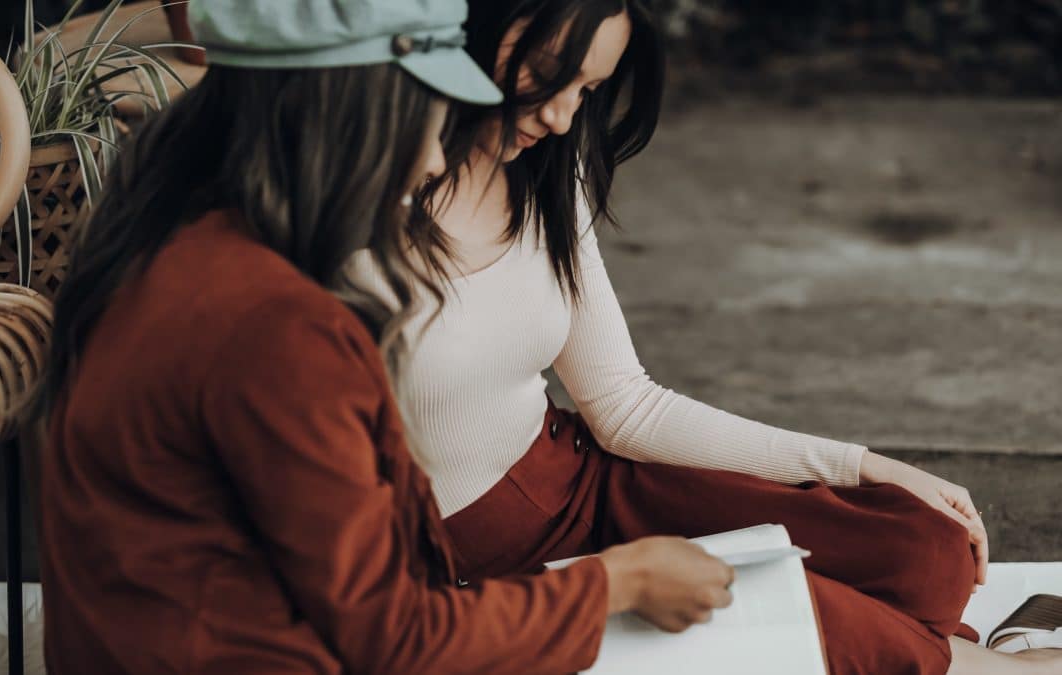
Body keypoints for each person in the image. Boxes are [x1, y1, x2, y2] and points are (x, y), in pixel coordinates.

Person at [345, 1, 1062, 672]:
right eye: (548, 78)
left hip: (584, 478)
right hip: (482, 563)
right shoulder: (339, 217)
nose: (564, 117)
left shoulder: (543, 174)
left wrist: (863, 466)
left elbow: (625, 404)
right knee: (816, 617)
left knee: (926, 548)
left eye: (587, 91)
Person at [28, 1, 742, 672]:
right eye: (428, 122)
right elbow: (395, 637)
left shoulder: (161, 243)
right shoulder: (277, 326)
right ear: (351, 117)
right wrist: (617, 580)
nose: (436, 161)